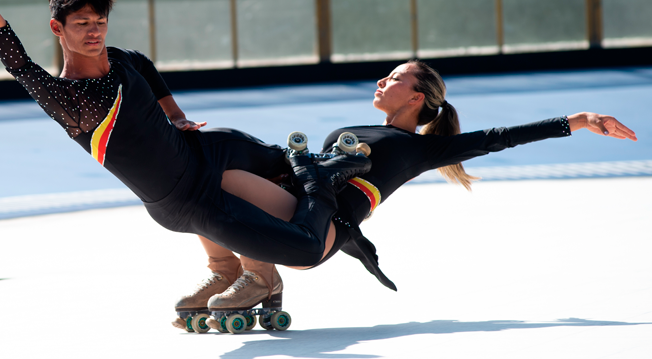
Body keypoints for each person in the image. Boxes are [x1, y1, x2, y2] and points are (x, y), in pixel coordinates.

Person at [0, 0, 371, 276]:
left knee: (278, 170)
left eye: (100, 21)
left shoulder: (122, 61)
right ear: (57, 28)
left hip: (203, 159)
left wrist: (176, 117)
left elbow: (143, 65)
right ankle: (307, 192)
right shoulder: (67, 97)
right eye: (82, 22)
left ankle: (318, 177)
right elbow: (21, 67)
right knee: (283, 238)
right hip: (177, 199)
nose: (94, 31)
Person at [178, 59, 637, 331]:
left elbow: (499, 136)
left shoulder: (421, 147)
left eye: (395, 77)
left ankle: (260, 277)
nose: (382, 81)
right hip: (297, 208)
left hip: (318, 232)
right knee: (200, 180)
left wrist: (577, 120)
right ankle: (227, 270)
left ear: (417, 98)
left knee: (218, 183)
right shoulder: (349, 131)